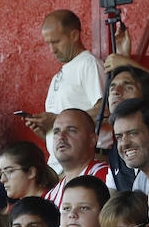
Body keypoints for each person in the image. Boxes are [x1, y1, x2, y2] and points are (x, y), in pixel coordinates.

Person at [17, 10, 103, 172]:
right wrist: (46, 129)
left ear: (74, 35)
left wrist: (56, 120)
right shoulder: (60, 74)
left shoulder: (88, 64)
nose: (52, 49)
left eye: (56, 42)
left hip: (84, 163)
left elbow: (106, 110)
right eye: (48, 43)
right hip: (59, 166)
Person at [42, 110, 109, 210]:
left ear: (92, 140)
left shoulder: (108, 176)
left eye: (71, 130)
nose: (61, 137)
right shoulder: (50, 196)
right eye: (56, 132)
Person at [0, 140, 60, 205]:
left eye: (9, 171)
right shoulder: (14, 210)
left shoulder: (57, 201)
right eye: (1, 173)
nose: (2, 180)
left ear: (31, 172)